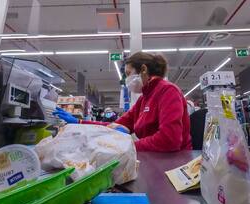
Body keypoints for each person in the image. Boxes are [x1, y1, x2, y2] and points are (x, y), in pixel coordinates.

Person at [54, 52, 192, 152]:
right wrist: (79, 123)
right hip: (153, 158)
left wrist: (128, 146)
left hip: (175, 163)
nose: (126, 79)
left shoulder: (167, 91)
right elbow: (114, 125)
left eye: (128, 73)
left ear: (143, 69)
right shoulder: (144, 99)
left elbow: (169, 140)